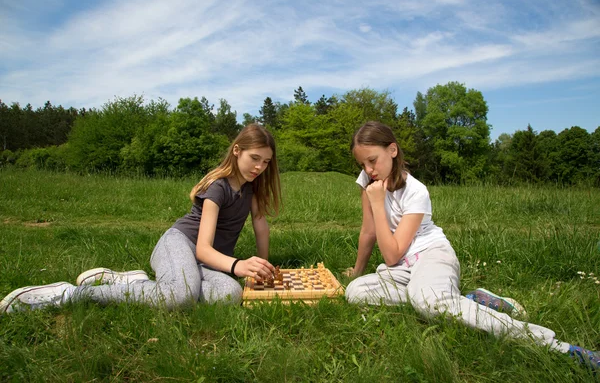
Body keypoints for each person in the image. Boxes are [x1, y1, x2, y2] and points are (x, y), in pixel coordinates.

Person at [344, 121, 599, 371]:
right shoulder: (369, 182)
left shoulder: (416, 191)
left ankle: (557, 346)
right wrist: (357, 271)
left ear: (392, 150)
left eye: (373, 161)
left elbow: (390, 255)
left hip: (431, 256)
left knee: (429, 303)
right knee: (356, 292)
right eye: (363, 164)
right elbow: (368, 231)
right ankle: (465, 299)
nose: (369, 170)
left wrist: (378, 203)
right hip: (404, 268)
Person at [0, 124, 281, 312]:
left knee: (230, 295)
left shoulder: (251, 188)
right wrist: (238, 264)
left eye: (266, 162)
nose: (260, 167)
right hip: (180, 245)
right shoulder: (217, 188)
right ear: (236, 151)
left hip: (206, 261)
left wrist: (263, 266)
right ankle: (70, 295)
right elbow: (203, 248)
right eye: (254, 158)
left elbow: (259, 223)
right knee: (180, 296)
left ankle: (134, 282)